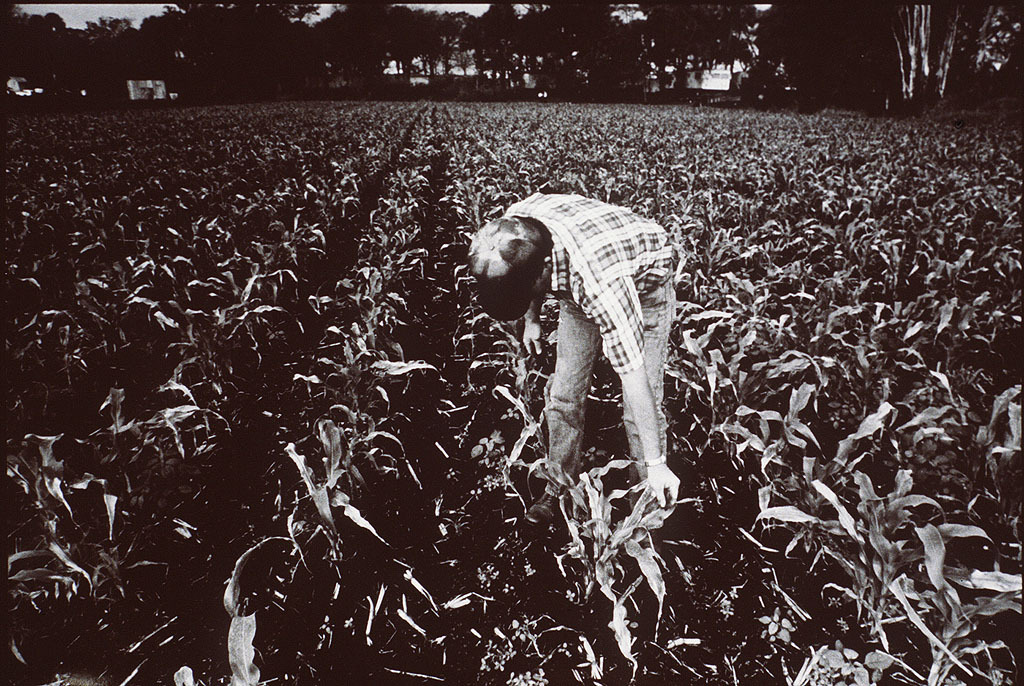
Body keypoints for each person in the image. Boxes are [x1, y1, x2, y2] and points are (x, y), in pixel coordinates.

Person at [467, 193, 681, 527]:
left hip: (645, 289)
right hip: (577, 283)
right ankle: (559, 486)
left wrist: (657, 464)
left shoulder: (600, 283)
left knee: (637, 408)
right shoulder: (512, 228)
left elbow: (635, 378)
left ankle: (646, 510)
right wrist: (532, 319)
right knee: (563, 394)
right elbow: (527, 278)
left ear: (545, 271)